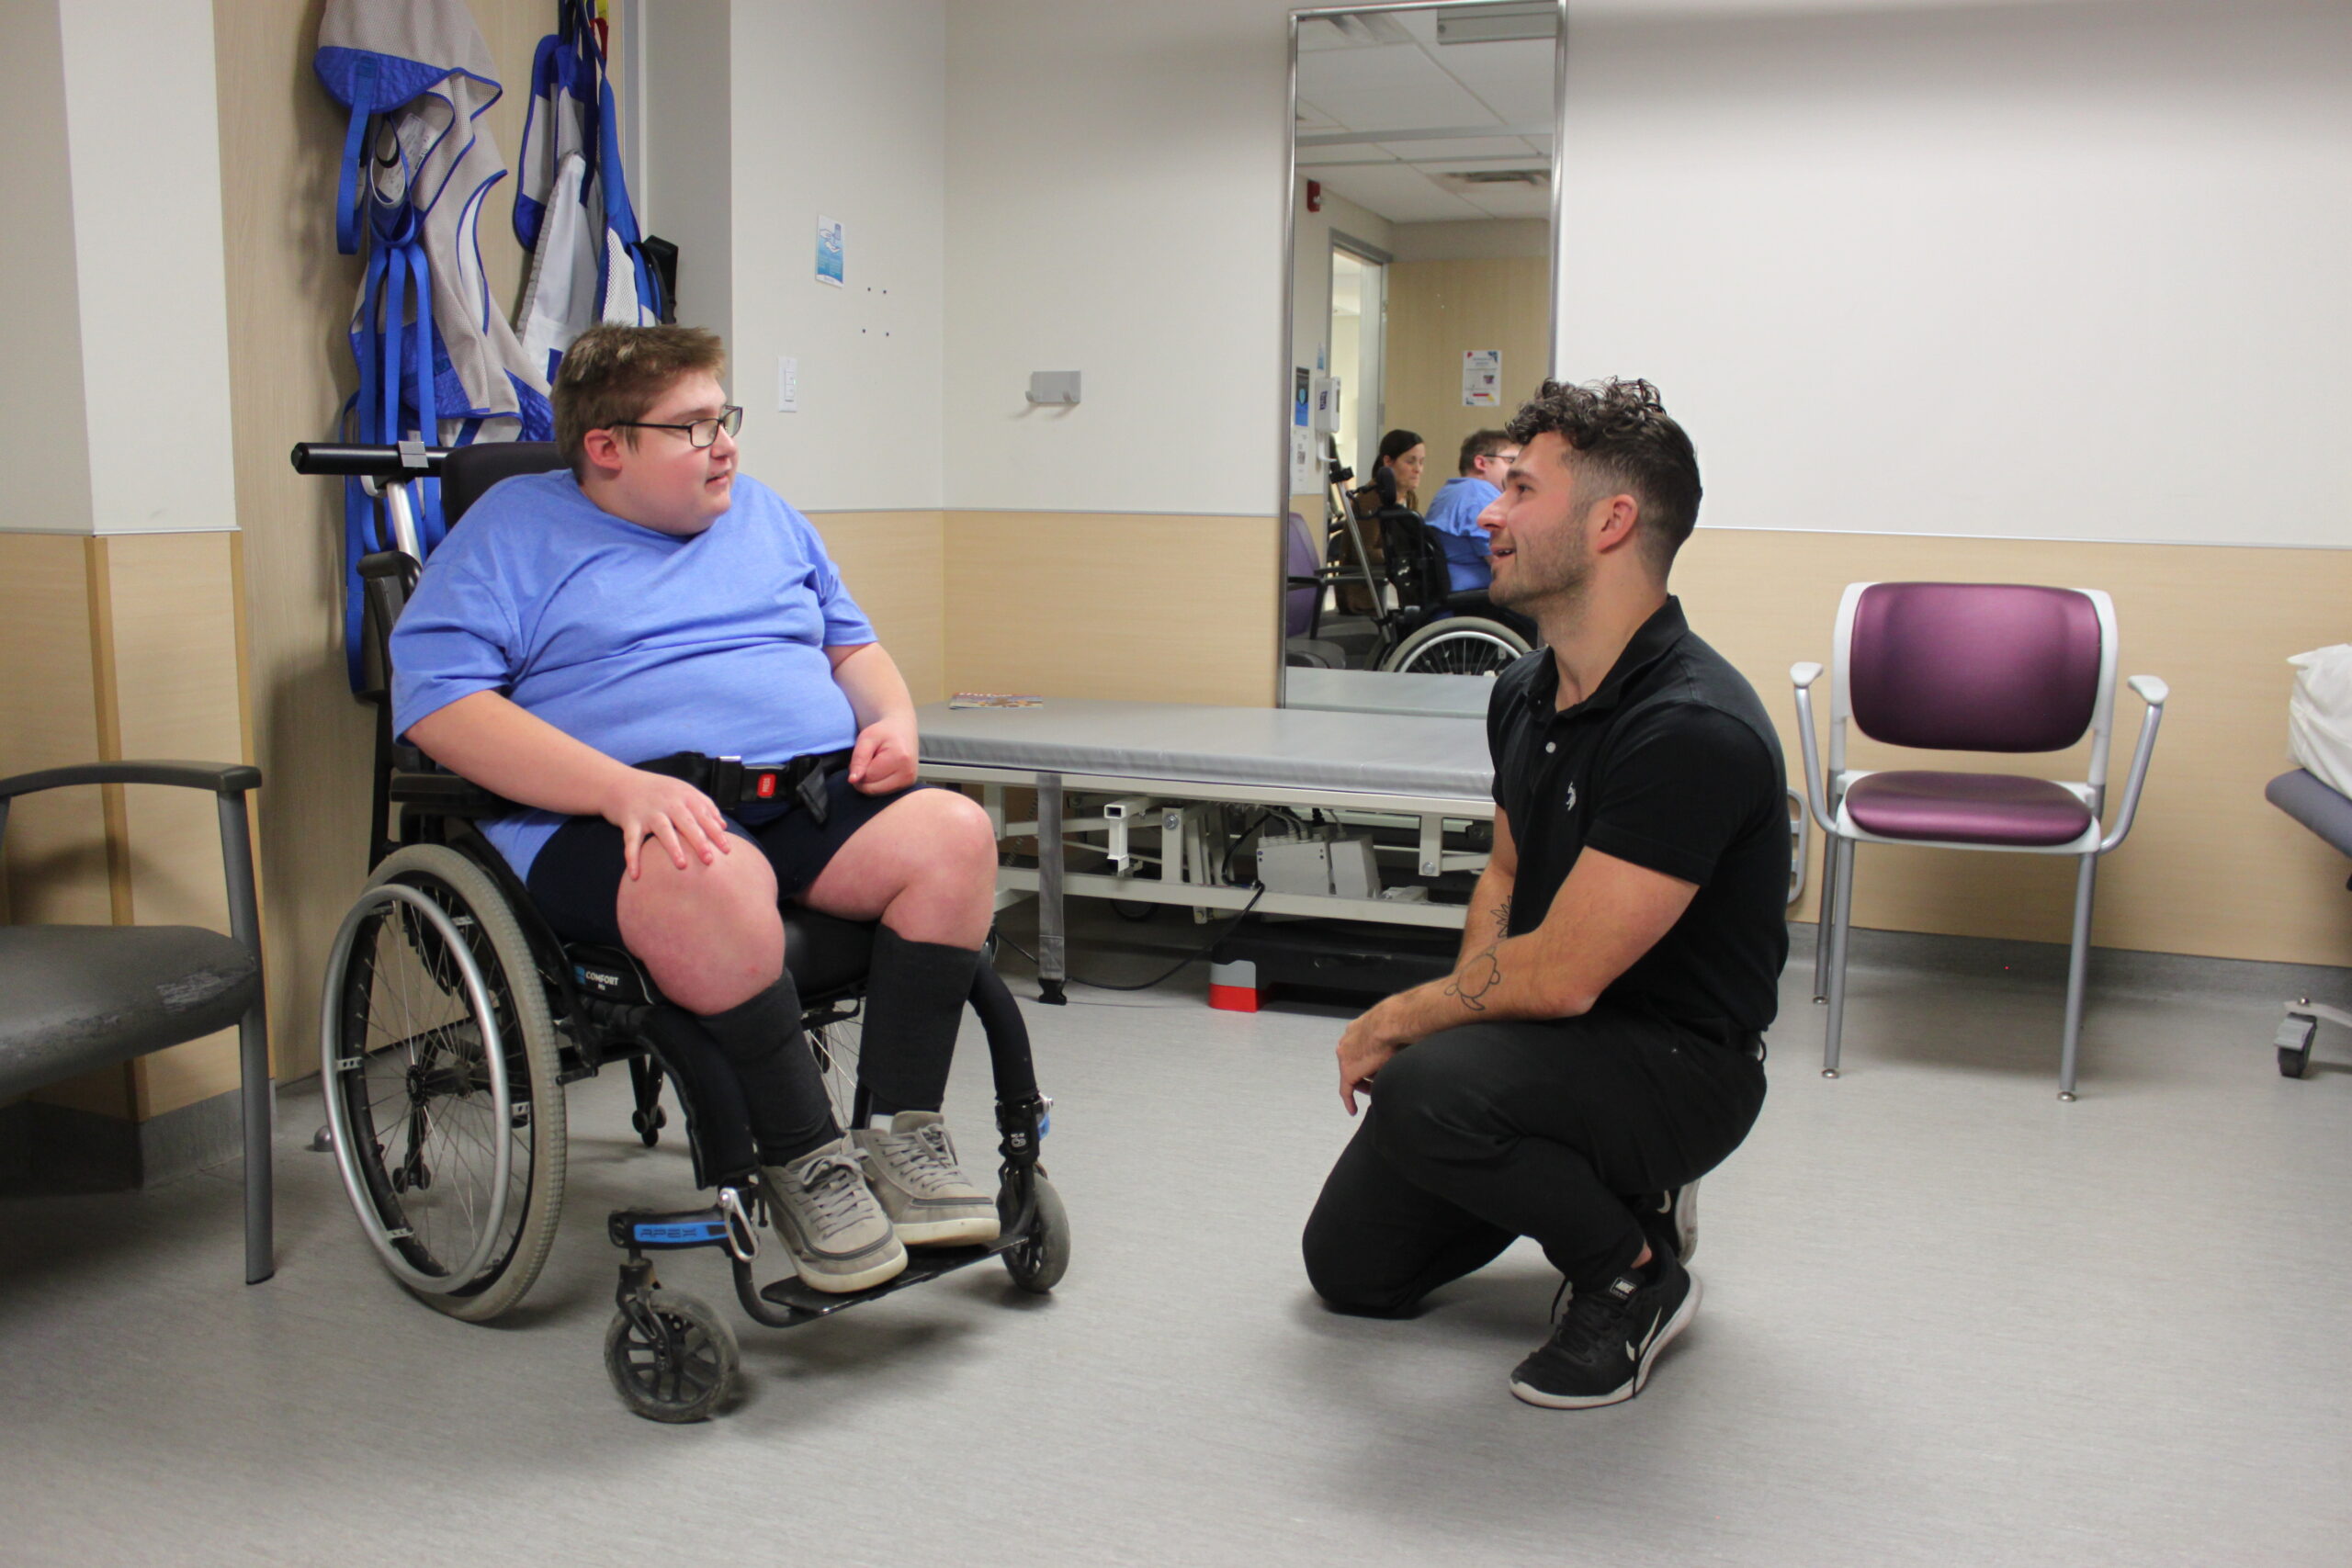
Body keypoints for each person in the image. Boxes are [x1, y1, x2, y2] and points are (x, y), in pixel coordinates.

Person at [390, 323, 1004, 1296]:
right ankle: (807, 1162)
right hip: (603, 820)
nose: (725, 445)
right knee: (710, 874)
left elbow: (851, 645)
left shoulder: (761, 514)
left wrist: (891, 717)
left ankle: (901, 1138)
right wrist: (617, 786)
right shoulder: (512, 532)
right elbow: (441, 706)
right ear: (606, 447)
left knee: (956, 837)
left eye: (726, 419)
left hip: (797, 792)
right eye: (693, 427)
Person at [1300, 378, 1787, 1410]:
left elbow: (1562, 977)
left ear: (1610, 521)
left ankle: (1633, 1273)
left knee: (1432, 1084)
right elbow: (1509, 874)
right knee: (1352, 1273)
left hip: (1678, 1063)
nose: (1489, 513)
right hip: (1560, 1045)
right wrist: (1462, 1025)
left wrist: (1409, 1020)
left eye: (1520, 489)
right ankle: (1589, 1180)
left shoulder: (1690, 726)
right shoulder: (1524, 689)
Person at [1421, 430, 1520, 593]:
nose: (1517, 470)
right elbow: (1503, 562)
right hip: (1477, 600)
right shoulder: (1477, 492)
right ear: (1481, 463)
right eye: (1511, 461)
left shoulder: (1449, 491)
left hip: (1453, 598)